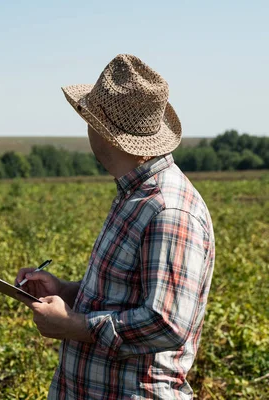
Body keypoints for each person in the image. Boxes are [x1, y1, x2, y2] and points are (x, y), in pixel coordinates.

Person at [15, 54, 215, 399]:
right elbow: (123, 297)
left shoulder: (168, 209)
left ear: (106, 133)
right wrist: (65, 291)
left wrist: (75, 325)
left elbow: (166, 324)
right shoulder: (134, 195)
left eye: (89, 120)